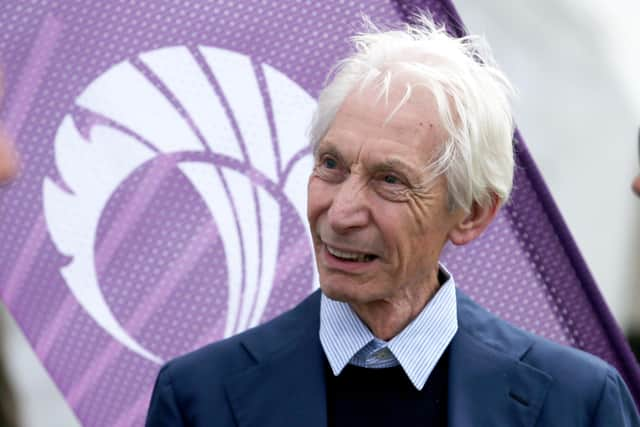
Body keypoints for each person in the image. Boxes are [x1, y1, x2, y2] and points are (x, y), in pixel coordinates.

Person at [146, 15, 640, 426]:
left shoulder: (577, 403)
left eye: (390, 180)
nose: (340, 214)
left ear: (471, 214)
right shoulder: (197, 398)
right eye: (331, 165)